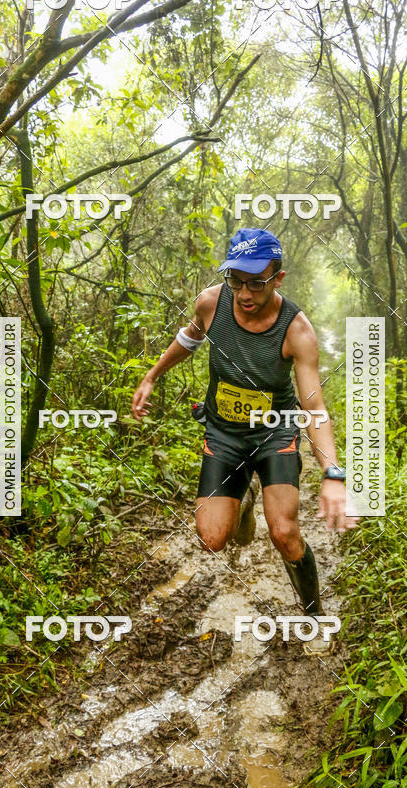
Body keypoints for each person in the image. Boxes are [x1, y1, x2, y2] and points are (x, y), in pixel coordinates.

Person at [131, 227, 358, 653]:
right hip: (224, 433)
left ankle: (313, 616)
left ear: (278, 278)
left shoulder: (297, 331)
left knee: (285, 532)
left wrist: (332, 471)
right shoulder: (211, 303)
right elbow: (189, 338)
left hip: (275, 433)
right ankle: (243, 506)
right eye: (236, 279)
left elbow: (313, 405)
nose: (245, 292)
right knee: (213, 538)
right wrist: (151, 376)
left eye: (257, 281)